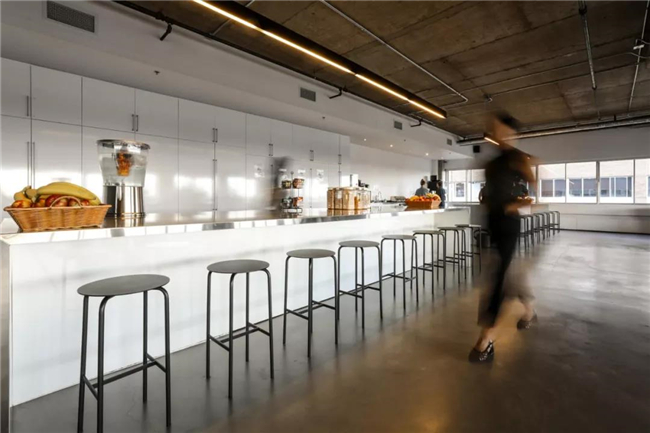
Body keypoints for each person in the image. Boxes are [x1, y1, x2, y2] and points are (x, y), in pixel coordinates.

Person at [469, 113, 536, 363]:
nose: (498, 134)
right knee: (507, 272)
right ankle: (529, 310)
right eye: (495, 130)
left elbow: (533, 186)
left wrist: (516, 204)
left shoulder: (518, 158)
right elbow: (489, 194)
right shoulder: (492, 163)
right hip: (492, 224)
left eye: (503, 130)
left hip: (508, 224)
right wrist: (487, 201)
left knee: (497, 277)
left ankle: (487, 338)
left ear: (512, 133)